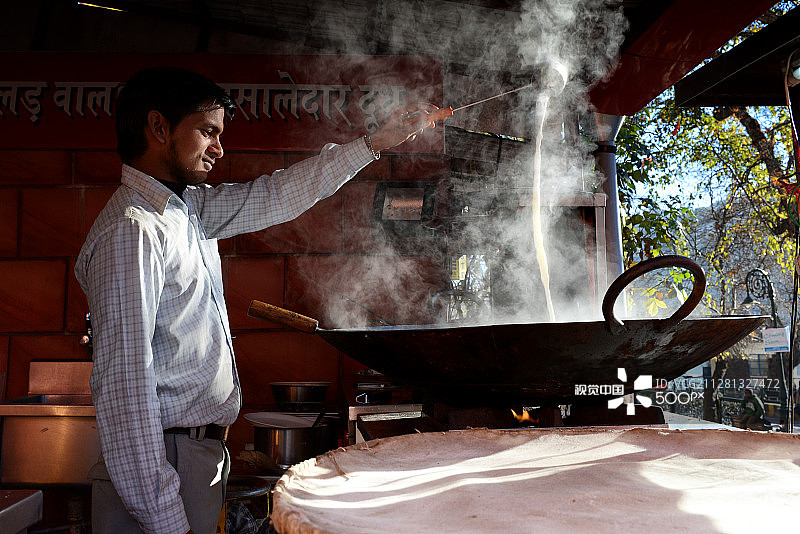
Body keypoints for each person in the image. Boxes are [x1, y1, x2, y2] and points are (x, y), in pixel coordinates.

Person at [74, 66, 443, 534]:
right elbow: (125, 385)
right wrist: (166, 519)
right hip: (161, 467)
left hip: (187, 459)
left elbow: (278, 196)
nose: (219, 148)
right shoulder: (134, 230)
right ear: (159, 127)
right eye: (208, 132)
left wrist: (373, 144)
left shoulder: (185, 211)